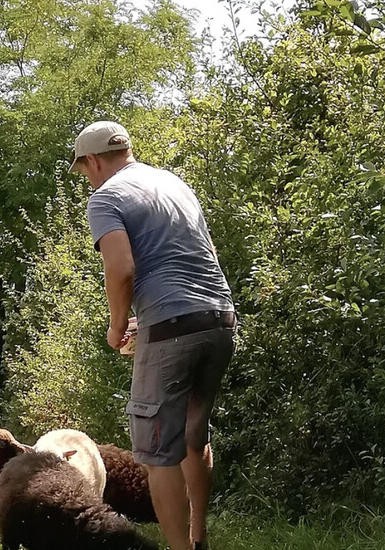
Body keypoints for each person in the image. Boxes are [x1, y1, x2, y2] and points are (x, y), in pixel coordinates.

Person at [69, 121, 235, 550]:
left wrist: (118, 326)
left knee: (158, 453)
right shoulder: (173, 183)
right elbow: (202, 255)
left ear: (93, 160)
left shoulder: (105, 198)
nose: (87, 178)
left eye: (84, 169)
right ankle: (199, 540)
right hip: (218, 318)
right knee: (195, 436)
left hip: (171, 331)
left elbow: (121, 269)